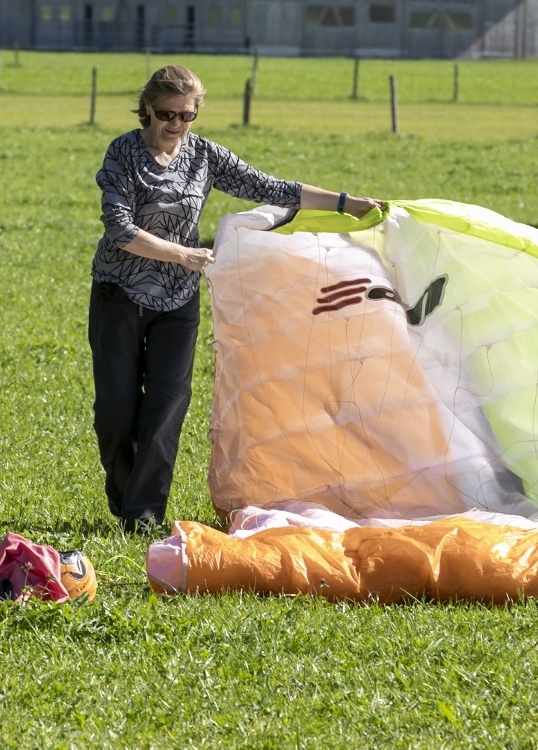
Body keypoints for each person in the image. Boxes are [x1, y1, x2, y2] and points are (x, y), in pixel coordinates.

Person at [90, 64, 381, 533]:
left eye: (186, 116)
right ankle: (125, 497)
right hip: (119, 294)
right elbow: (120, 229)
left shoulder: (203, 155)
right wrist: (182, 253)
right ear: (147, 109)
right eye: (166, 114)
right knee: (117, 412)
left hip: (177, 301)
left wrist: (347, 203)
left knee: (166, 406)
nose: (175, 125)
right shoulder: (123, 153)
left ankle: (142, 515)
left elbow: (270, 187)